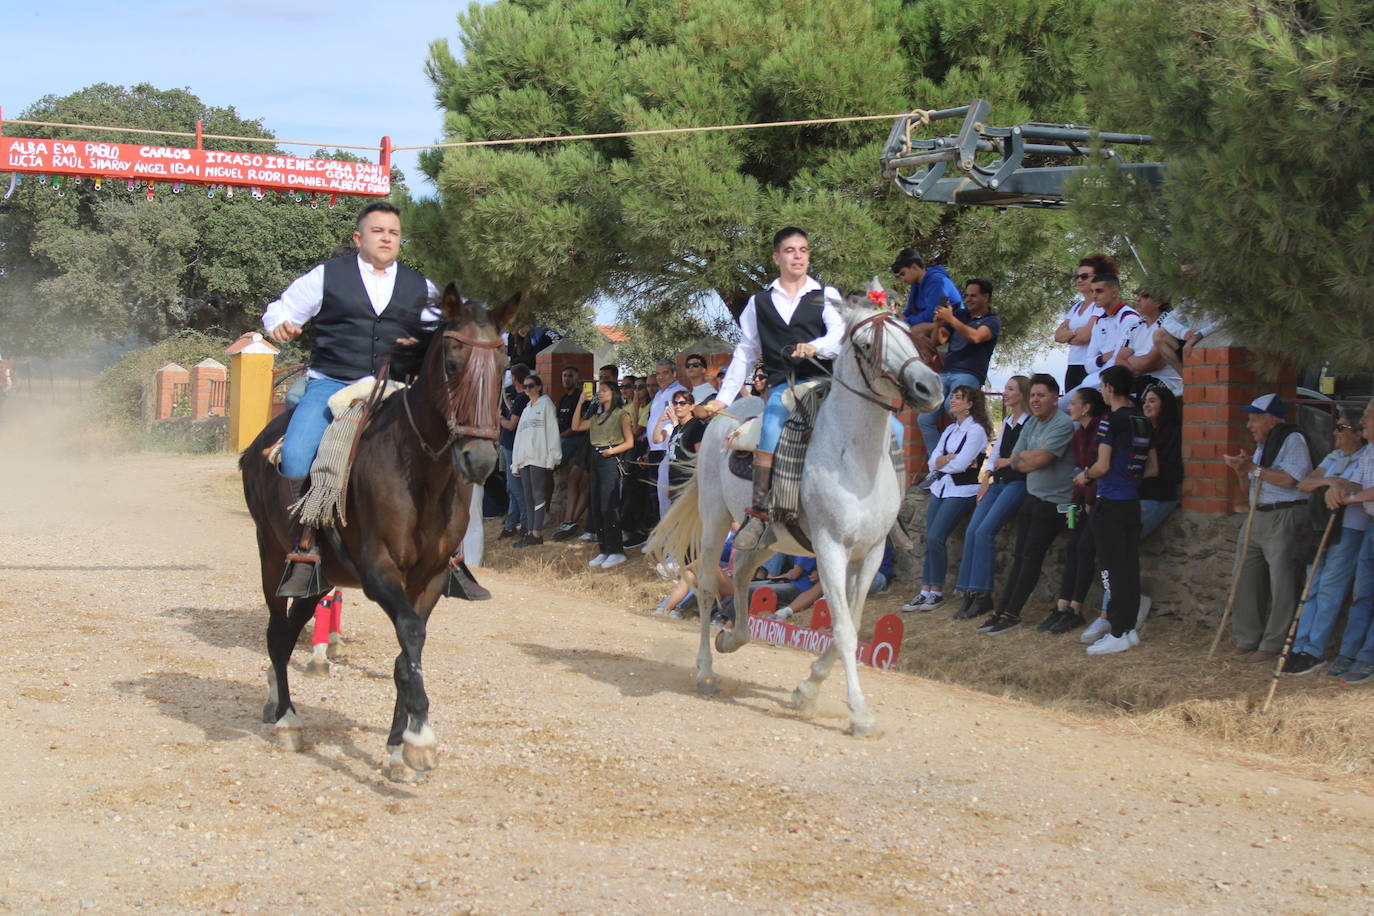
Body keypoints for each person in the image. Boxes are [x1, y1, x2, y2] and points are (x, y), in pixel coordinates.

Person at [261, 201, 440, 595]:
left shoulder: (420, 286)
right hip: (331, 385)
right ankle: (302, 550)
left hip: (393, 389)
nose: (387, 238)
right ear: (359, 238)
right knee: (295, 454)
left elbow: (441, 335)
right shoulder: (326, 276)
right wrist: (280, 326)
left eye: (393, 233)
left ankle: (447, 554)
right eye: (378, 231)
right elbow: (281, 310)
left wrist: (423, 343)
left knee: (447, 451)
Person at [698, 227, 844, 551]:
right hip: (785, 387)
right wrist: (724, 398)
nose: (798, 256)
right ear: (777, 257)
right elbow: (746, 351)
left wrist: (815, 347)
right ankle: (760, 514)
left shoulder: (826, 295)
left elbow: (838, 336)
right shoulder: (759, 303)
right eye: (791, 250)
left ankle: (892, 513)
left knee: (889, 425)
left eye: (803, 250)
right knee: (773, 423)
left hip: (825, 383)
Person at [976, 374, 1076, 635]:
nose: (1035, 400)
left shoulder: (1063, 425)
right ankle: (1002, 611)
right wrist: (1023, 458)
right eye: (1033, 395)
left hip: (1053, 502)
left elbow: (1039, 460)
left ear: (1056, 399)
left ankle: (1012, 613)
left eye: (1041, 395)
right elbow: (1014, 459)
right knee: (1018, 556)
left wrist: (1022, 458)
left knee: (1031, 557)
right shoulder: (1032, 424)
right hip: (1032, 496)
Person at [1222, 393, 1313, 662]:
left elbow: (1290, 480)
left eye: (1254, 419)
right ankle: (1248, 638)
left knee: (1281, 582)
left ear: (1271, 419)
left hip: (1283, 516)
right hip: (1257, 516)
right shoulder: (1264, 445)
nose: (1249, 426)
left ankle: (1273, 644)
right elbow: (1249, 488)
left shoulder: (1292, 439)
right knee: (1244, 577)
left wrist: (1253, 468)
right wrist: (1242, 471)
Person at [1281, 408, 1369, 675]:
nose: (1335, 433)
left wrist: (1338, 486)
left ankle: (1314, 649)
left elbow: (1357, 486)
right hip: (1320, 527)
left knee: (1331, 588)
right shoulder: (1334, 457)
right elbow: (1305, 483)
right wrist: (1330, 481)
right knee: (1313, 584)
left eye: (1341, 428)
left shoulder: (1366, 456)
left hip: (1348, 527)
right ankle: (1299, 645)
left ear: (1357, 433)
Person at [1077, 366, 1156, 655]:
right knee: (1129, 566)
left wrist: (1085, 476)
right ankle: (1129, 629)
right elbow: (1153, 467)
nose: (1100, 390)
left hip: (1110, 501)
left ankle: (1119, 630)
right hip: (1131, 502)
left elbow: (1102, 465)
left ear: (1109, 387)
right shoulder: (1143, 420)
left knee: (1111, 568)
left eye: (1101, 386)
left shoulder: (1110, 420)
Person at [902, 386, 991, 611]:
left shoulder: (976, 430)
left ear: (970, 404)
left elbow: (962, 465)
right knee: (931, 539)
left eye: (959, 398)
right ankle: (925, 590)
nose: (953, 401)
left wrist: (947, 460)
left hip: (962, 490)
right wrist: (947, 459)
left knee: (935, 537)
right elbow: (933, 462)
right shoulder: (951, 429)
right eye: (953, 397)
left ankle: (937, 592)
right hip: (941, 487)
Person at [953, 376, 1031, 619]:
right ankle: (967, 591)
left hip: (1017, 483)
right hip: (999, 482)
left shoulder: (1029, 423)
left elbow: (1019, 457)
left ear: (1023, 393)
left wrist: (1002, 465)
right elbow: (995, 453)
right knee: (972, 531)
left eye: (1010, 389)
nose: (1005, 393)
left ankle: (982, 594)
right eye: (1005, 388)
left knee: (985, 532)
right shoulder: (1008, 421)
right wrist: (985, 481)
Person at [1041, 387, 1108, 635]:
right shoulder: (1079, 434)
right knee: (1071, 545)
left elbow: (1097, 470)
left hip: (1096, 502)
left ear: (1087, 407)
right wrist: (1074, 505)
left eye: (1074, 403)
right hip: (1077, 501)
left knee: (1084, 548)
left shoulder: (1100, 430)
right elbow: (1077, 473)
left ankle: (1076, 609)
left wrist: (1087, 501)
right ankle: (1062, 605)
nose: (1069, 407)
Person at [913, 279, 1000, 463]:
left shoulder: (992, 321)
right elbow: (938, 341)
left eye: (973, 295)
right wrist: (938, 323)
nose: (968, 299)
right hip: (946, 372)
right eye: (966, 295)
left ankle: (969, 452)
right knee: (924, 419)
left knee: (950, 406)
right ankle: (937, 465)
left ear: (986, 297)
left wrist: (950, 318)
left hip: (969, 374)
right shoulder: (959, 315)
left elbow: (976, 337)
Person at [1325, 400, 1374, 683]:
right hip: (1370, 526)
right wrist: (1337, 488)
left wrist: (1352, 497)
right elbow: (1355, 483)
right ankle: (1349, 652)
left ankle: (1368, 657)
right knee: (1362, 593)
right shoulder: (1369, 452)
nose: (1363, 421)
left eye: (1367, 416)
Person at [573, 379, 635, 569]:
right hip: (596, 458)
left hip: (610, 458)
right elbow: (576, 426)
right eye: (600, 391)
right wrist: (581, 401)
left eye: (605, 391)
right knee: (597, 506)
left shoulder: (621, 414)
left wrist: (612, 452)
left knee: (610, 506)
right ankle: (604, 549)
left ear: (613, 394)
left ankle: (616, 550)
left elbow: (629, 442)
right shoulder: (597, 416)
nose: (601, 393)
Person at [1063, 274, 1145, 409]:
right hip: (1094, 383)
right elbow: (1088, 365)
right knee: (1061, 408)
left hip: (1115, 387)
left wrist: (1103, 360)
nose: (1094, 296)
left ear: (1114, 292)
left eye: (1099, 291)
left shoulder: (1129, 318)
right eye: (1093, 291)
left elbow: (1119, 362)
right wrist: (1103, 357)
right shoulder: (1099, 322)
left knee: (1071, 410)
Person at [510, 374, 561, 547]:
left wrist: (552, 457)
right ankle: (530, 532)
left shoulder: (546, 405)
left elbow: (552, 431)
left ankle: (537, 533)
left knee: (538, 495)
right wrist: (515, 461)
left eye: (531, 386)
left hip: (539, 456)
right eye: (525, 387)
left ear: (539, 387)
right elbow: (519, 435)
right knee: (527, 497)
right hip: (524, 458)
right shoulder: (525, 409)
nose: (528, 389)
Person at [1052, 255, 1113, 391]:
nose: (1079, 280)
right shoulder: (1076, 307)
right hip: (1072, 365)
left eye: (1084, 276)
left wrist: (1069, 336)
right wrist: (1075, 333)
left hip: (1090, 366)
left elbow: (1085, 336)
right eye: (1077, 277)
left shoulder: (1099, 306)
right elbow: (1057, 336)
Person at [552, 366, 591, 540]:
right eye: (564, 375)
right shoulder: (562, 399)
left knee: (581, 483)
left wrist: (560, 436)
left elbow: (578, 427)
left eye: (570, 376)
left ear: (577, 378)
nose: (566, 379)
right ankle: (568, 520)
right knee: (572, 480)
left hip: (579, 441)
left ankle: (570, 520)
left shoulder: (582, 398)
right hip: (564, 439)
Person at [1122, 289, 1184, 397]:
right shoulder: (1135, 327)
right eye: (1137, 295)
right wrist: (1137, 367)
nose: (1137, 299)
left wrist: (1130, 359)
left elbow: (1150, 362)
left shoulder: (1168, 323)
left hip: (1165, 381)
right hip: (1138, 378)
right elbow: (1120, 359)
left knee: (1140, 392)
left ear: (1159, 302)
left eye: (1144, 296)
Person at [646, 360, 686, 519]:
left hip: (667, 450)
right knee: (655, 496)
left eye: (665, 373)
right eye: (658, 373)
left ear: (674, 374)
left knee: (667, 496)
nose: (660, 377)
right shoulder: (658, 394)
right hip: (655, 449)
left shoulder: (679, 392)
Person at [497, 363, 531, 539]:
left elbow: (511, 425)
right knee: (513, 488)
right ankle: (511, 524)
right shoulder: (520, 398)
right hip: (510, 446)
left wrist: (500, 419)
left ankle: (524, 524)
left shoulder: (521, 398)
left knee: (516, 488)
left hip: (512, 447)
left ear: (516, 379)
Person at [653, 389, 706, 499]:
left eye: (682, 403)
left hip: (688, 483)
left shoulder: (696, 425)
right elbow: (656, 439)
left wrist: (693, 484)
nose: (678, 406)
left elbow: (700, 457)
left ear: (691, 406)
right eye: (675, 403)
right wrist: (661, 420)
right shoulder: (677, 428)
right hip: (675, 482)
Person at [892, 248, 962, 327]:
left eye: (903, 274)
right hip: (935, 324)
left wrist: (905, 321)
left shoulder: (938, 282)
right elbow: (910, 311)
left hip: (951, 327)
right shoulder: (916, 283)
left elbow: (933, 314)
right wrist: (896, 317)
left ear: (914, 267)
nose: (903, 279)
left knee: (918, 331)